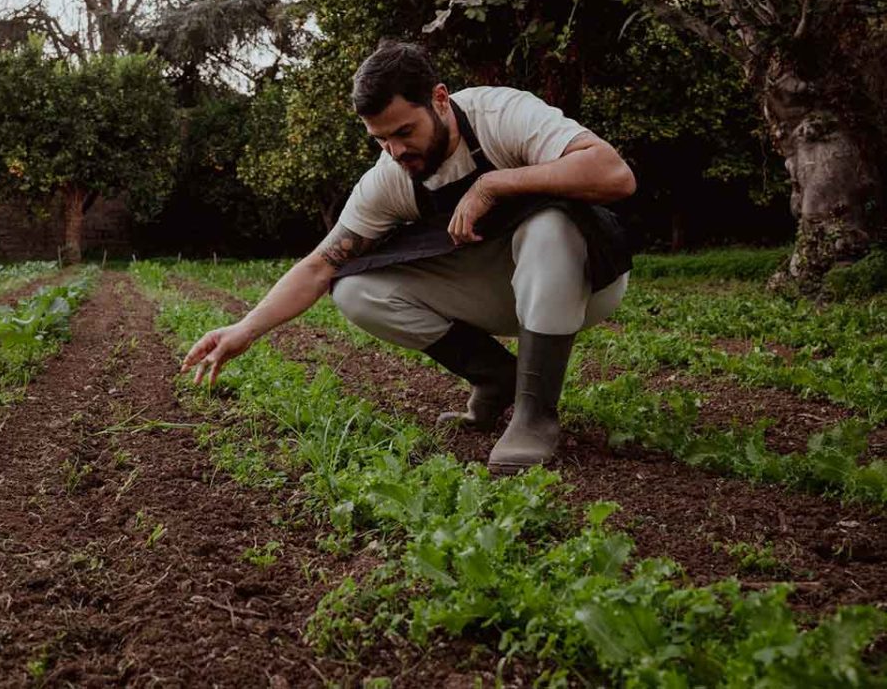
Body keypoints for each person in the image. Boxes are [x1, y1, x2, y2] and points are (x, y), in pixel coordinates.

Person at [180, 40, 636, 473]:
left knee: (548, 227)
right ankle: (498, 378)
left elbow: (615, 174)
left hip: (585, 283)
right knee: (356, 288)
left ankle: (535, 414)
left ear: (439, 99)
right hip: (501, 290)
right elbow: (321, 264)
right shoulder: (392, 177)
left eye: (404, 131)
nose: (397, 151)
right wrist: (245, 329)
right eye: (381, 140)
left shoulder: (503, 115)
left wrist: (493, 184)